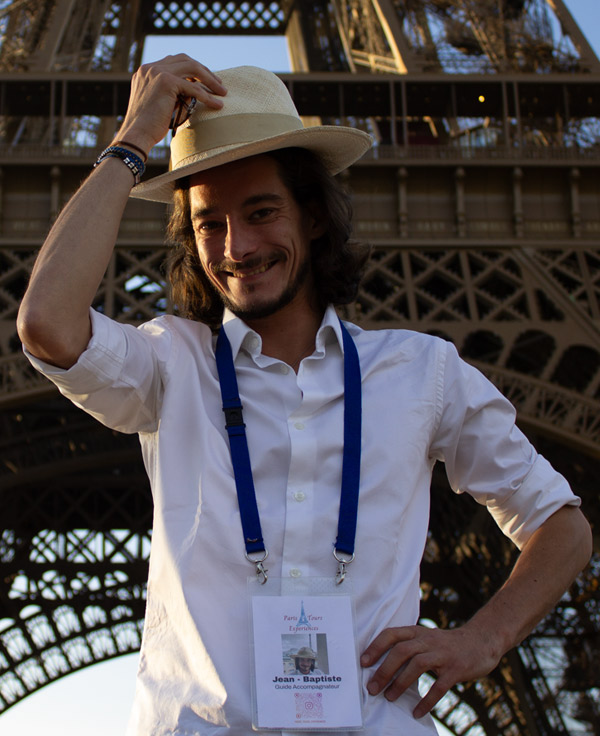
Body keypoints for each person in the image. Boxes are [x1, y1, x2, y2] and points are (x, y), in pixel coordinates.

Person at [17, 55, 591, 735]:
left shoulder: (421, 370)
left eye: (261, 212)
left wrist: (483, 639)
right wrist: (132, 141)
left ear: (313, 217)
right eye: (210, 223)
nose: (238, 245)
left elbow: (562, 523)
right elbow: (46, 323)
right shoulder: (171, 362)